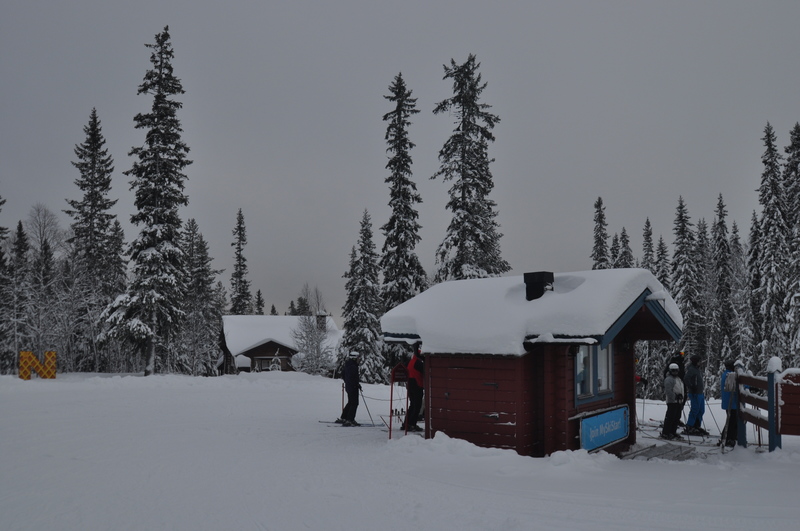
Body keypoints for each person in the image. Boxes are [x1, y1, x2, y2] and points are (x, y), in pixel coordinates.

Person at [684, 354, 708, 436]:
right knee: (695, 410)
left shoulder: (697, 369)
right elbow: (686, 379)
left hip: (700, 392)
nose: (700, 363)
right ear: (695, 362)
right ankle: (690, 426)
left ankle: (697, 425)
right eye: (699, 361)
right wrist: (691, 386)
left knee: (701, 410)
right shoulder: (691, 369)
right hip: (694, 393)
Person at [402, 348, 424, 432]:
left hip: (410, 384)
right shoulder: (418, 363)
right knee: (417, 406)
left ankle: (406, 423)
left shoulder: (410, 362)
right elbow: (425, 372)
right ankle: (412, 424)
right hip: (417, 384)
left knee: (412, 405)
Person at [661, 362, 685, 440]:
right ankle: (666, 432)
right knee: (670, 417)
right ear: (670, 371)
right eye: (673, 371)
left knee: (677, 417)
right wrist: (675, 397)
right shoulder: (669, 379)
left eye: (676, 371)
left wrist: (681, 396)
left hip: (678, 401)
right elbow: (668, 391)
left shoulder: (678, 379)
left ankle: (672, 431)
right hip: (672, 402)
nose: (675, 372)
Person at [720, 360, 739, 447]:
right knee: (731, 421)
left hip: (730, 402)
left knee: (732, 420)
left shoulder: (727, 374)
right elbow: (737, 385)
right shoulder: (730, 375)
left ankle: (730, 437)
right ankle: (727, 438)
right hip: (731, 402)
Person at [340, 351, 362, 427]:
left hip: (349, 386)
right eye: (358, 358)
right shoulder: (353, 366)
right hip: (352, 387)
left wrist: (348, 382)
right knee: (354, 403)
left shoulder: (348, 365)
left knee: (350, 402)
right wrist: (356, 384)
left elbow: (343, 374)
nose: (359, 359)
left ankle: (344, 417)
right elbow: (353, 378)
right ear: (355, 358)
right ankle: (350, 420)